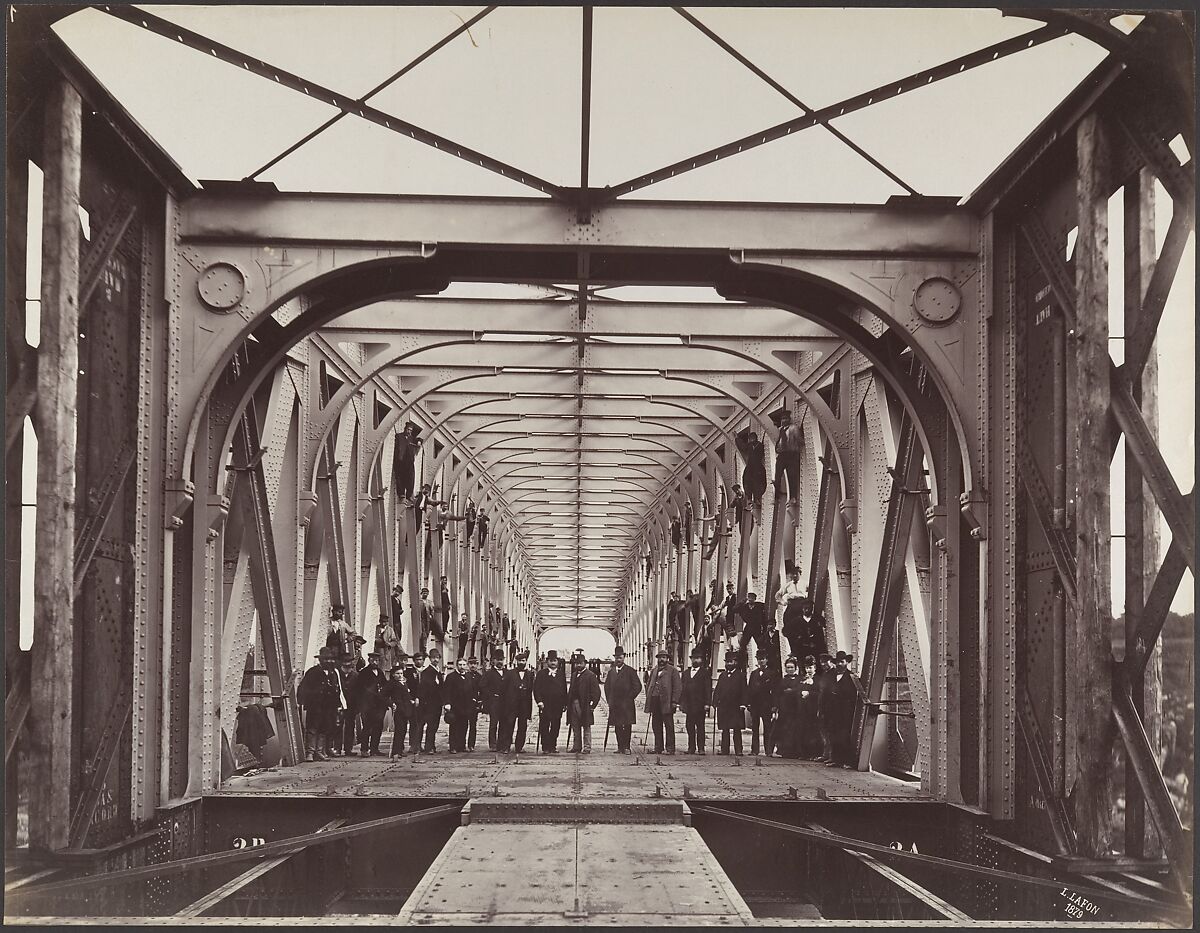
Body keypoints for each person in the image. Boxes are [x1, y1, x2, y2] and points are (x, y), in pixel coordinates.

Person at [297, 647, 341, 761]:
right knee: (312, 728)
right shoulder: (312, 672)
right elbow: (303, 688)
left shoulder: (333, 673)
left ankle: (319, 752)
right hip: (315, 706)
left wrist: (337, 705)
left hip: (328, 706)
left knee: (323, 729)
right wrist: (301, 701)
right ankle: (310, 753)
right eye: (325, 659)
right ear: (320, 660)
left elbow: (337, 690)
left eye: (330, 659)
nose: (328, 661)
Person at [827, 651, 865, 768]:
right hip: (833, 711)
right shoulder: (831, 676)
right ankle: (836, 759)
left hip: (846, 712)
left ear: (847, 662)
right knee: (834, 735)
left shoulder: (852, 677)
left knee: (845, 736)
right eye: (837, 662)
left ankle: (848, 761)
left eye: (842, 662)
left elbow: (855, 695)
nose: (839, 664)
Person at [604, 646, 642, 754]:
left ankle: (626, 747)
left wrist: (629, 697)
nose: (618, 660)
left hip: (627, 705)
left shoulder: (630, 671)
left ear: (624, 657)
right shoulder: (611, 672)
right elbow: (607, 687)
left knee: (627, 725)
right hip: (615, 704)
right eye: (616, 657)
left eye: (620, 657)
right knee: (617, 726)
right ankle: (620, 747)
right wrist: (609, 700)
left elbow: (637, 686)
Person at [645, 649, 681, 755]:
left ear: (667, 659)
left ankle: (670, 748)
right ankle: (658, 747)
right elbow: (648, 685)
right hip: (655, 700)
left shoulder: (673, 671)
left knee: (669, 725)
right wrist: (649, 697)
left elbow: (677, 687)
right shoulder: (654, 670)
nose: (662, 659)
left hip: (667, 702)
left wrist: (674, 701)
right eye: (660, 657)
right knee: (656, 725)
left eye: (664, 657)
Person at [355, 651, 391, 756]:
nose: (374, 662)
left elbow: (384, 686)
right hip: (367, 705)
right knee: (367, 727)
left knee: (378, 727)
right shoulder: (363, 673)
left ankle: (374, 748)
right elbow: (360, 690)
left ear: (379, 661)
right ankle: (364, 749)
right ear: (369, 660)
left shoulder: (380, 672)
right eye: (372, 660)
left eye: (376, 660)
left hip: (379, 706)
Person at [499, 650, 534, 753]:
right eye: (519, 661)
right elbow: (503, 689)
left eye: (523, 660)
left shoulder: (530, 674)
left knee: (522, 726)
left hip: (524, 705)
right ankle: (506, 746)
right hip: (511, 705)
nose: (521, 663)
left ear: (526, 661)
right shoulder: (509, 673)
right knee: (509, 725)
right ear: (516, 662)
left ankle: (519, 747)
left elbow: (530, 689)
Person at [714, 650, 747, 756]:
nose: (728, 664)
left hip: (736, 706)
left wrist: (743, 703)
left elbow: (744, 690)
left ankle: (739, 750)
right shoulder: (722, 675)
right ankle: (725, 750)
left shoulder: (741, 676)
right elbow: (718, 689)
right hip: (724, 706)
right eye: (727, 662)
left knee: (736, 729)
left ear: (735, 663)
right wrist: (715, 701)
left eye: (731, 662)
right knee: (725, 729)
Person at [534, 650, 568, 753]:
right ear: (547, 662)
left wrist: (565, 703)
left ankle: (553, 746)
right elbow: (536, 689)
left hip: (557, 705)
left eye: (554, 661)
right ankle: (545, 747)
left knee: (555, 726)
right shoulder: (541, 674)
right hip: (545, 705)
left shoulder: (561, 674)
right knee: (544, 725)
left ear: (557, 662)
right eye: (550, 661)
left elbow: (564, 689)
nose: (553, 663)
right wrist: (539, 701)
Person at [747, 649, 779, 756]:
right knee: (754, 728)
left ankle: (768, 750)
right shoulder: (753, 674)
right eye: (759, 659)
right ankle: (754, 750)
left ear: (766, 660)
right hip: (755, 705)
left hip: (766, 705)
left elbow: (775, 691)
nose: (761, 661)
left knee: (767, 728)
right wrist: (749, 703)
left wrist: (774, 705)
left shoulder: (772, 674)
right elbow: (750, 689)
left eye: (763, 659)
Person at [566, 654, 601, 753]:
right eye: (577, 663)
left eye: (580, 663)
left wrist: (592, 705)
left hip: (585, 705)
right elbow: (571, 690)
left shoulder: (590, 675)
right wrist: (567, 703)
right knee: (575, 726)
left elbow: (597, 692)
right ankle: (576, 746)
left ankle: (587, 747)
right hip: (573, 703)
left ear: (585, 663)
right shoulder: (573, 675)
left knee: (586, 726)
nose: (578, 665)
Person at [680, 648, 711, 755]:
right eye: (694, 658)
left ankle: (701, 748)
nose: (695, 661)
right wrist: (681, 703)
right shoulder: (685, 673)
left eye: (698, 658)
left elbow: (708, 689)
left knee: (700, 727)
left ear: (701, 660)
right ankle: (691, 747)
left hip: (700, 705)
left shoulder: (705, 673)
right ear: (691, 659)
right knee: (689, 726)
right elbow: (682, 689)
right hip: (689, 705)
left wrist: (707, 703)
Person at [772, 656, 805, 759]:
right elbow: (777, 694)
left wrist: (792, 691)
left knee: (795, 730)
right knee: (785, 730)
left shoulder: (800, 679)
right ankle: (785, 751)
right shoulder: (782, 680)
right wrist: (775, 708)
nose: (790, 669)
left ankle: (796, 751)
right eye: (788, 667)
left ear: (796, 668)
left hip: (796, 709)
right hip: (785, 709)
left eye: (792, 667)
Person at [443, 658, 476, 753]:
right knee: (454, 726)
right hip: (455, 706)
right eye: (460, 665)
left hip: (466, 706)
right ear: (457, 666)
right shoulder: (451, 677)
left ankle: (461, 745)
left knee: (464, 726)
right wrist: (447, 703)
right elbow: (447, 691)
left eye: (464, 665)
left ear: (466, 666)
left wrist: (473, 699)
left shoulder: (469, 676)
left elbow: (472, 689)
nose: (462, 667)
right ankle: (453, 746)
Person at [416, 651, 444, 753]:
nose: (435, 660)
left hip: (437, 704)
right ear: (429, 659)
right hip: (428, 704)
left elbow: (441, 688)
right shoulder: (426, 672)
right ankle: (428, 747)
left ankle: (432, 745)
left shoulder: (438, 672)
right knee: (430, 726)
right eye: (433, 658)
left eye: (437, 657)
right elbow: (424, 689)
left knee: (435, 726)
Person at [777, 562, 806, 660]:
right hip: (792, 605)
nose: (794, 575)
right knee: (787, 627)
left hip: (802, 605)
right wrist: (783, 602)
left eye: (796, 574)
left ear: (800, 574)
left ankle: (803, 647)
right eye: (792, 574)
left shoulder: (805, 584)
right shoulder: (788, 585)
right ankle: (793, 650)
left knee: (802, 627)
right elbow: (778, 595)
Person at [773, 409, 803, 502]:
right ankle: (776, 496)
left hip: (791, 454)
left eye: (785, 418)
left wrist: (796, 448)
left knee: (792, 476)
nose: (784, 421)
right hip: (782, 455)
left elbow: (799, 440)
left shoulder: (793, 428)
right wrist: (777, 448)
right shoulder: (780, 429)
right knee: (777, 476)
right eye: (782, 419)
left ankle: (793, 497)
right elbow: (778, 441)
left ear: (789, 419)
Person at [735, 427, 767, 509]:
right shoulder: (760, 445)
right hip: (759, 467)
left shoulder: (749, 446)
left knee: (747, 481)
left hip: (750, 467)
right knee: (758, 482)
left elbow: (742, 447)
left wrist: (737, 438)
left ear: (750, 439)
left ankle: (749, 497)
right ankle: (757, 498)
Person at [334, 652, 359, 757]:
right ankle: (337, 748)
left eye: (349, 663)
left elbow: (360, 691)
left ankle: (348, 749)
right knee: (338, 727)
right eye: (345, 663)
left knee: (350, 726)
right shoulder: (336, 675)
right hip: (339, 705)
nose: (348, 666)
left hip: (351, 706)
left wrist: (358, 707)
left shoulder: (356, 676)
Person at [736, 591, 770, 665]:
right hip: (748, 627)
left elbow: (765, 617)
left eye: (752, 598)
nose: (750, 599)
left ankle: (762, 661)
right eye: (749, 597)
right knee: (742, 645)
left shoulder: (760, 606)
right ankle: (742, 663)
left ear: (755, 599)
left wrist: (764, 630)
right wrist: (742, 602)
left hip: (757, 628)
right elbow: (735, 609)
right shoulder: (745, 606)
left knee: (761, 645)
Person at [797, 656, 822, 759]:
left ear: (815, 667)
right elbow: (797, 692)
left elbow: (821, 693)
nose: (809, 670)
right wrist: (800, 692)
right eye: (807, 668)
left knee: (814, 732)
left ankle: (814, 754)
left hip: (814, 709)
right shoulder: (803, 679)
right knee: (804, 731)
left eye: (810, 667)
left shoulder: (818, 680)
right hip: (804, 709)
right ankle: (805, 754)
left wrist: (810, 693)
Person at [813, 653, 836, 763]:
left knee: (830, 733)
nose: (823, 664)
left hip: (831, 708)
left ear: (831, 661)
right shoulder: (826, 674)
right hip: (823, 708)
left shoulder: (833, 674)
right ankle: (826, 754)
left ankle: (831, 756)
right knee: (825, 732)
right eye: (821, 662)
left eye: (825, 662)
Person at [481, 650, 506, 751]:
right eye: (497, 660)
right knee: (493, 723)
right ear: (493, 661)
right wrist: (491, 695)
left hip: (504, 702)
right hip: (494, 702)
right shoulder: (489, 673)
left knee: (503, 723)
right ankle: (493, 744)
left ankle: (501, 743)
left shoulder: (507, 673)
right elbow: (482, 686)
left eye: (501, 660)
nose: (499, 662)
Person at [388, 661, 414, 757]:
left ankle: (400, 749)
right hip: (398, 709)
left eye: (401, 673)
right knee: (399, 730)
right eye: (398, 674)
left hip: (406, 710)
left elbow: (406, 695)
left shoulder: (403, 683)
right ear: (393, 674)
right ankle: (396, 751)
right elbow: (382, 695)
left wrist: (410, 700)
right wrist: (391, 703)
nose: (400, 675)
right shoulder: (391, 684)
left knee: (403, 730)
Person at [392, 420, 422, 502]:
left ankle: (409, 494)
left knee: (410, 478)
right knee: (400, 478)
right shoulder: (399, 436)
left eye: (411, 431)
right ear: (405, 429)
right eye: (408, 430)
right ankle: (401, 493)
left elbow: (419, 439)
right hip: (401, 461)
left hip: (409, 461)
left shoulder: (412, 439)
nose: (409, 432)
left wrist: (419, 442)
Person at [794, 598, 828, 666]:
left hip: (817, 649)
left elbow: (824, 630)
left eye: (809, 608)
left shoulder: (818, 619)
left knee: (818, 667)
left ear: (812, 609)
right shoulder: (796, 621)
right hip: (803, 650)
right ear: (802, 608)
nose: (807, 610)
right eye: (805, 608)